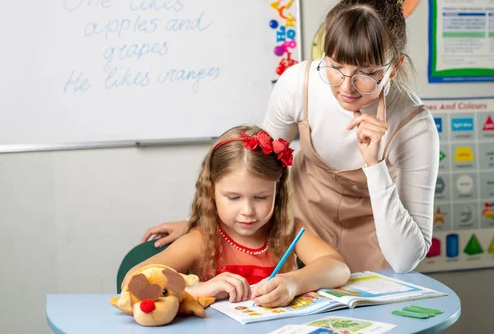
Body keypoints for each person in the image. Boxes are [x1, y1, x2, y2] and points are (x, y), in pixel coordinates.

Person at [141, 0, 439, 274]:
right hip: (303, 235)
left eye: (367, 74)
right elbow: (255, 168)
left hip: (378, 246)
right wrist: (201, 225)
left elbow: (405, 259)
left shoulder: (415, 127)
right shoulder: (300, 84)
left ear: (394, 67)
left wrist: (375, 167)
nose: (346, 87)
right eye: (335, 66)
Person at [124, 126, 350, 307]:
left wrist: (294, 282)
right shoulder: (201, 240)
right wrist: (196, 290)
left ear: (277, 191)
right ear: (211, 192)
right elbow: (132, 281)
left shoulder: (289, 229)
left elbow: (338, 268)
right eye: (233, 198)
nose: (248, 211)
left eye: (261, 197)